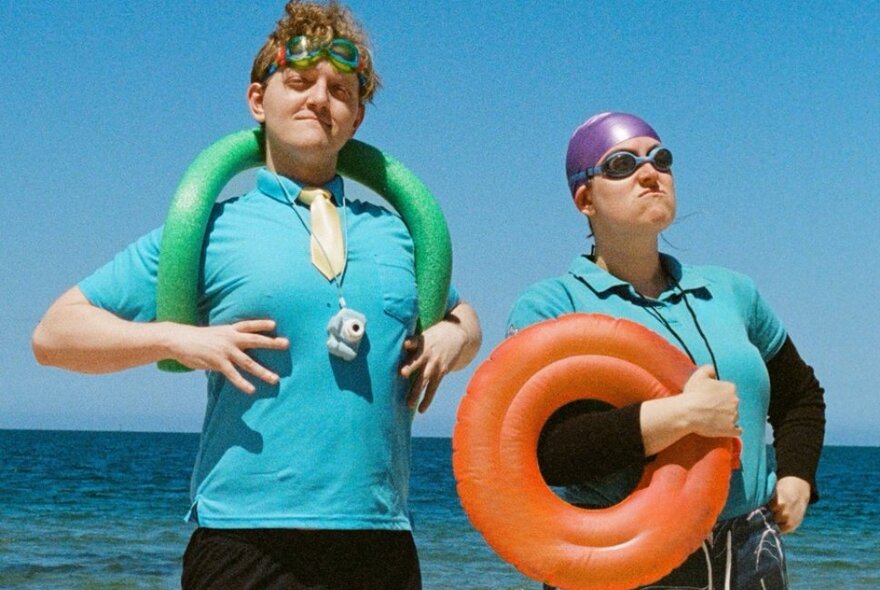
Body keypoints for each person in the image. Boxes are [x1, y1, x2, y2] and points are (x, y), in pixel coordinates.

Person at [31, 2, 481, 588]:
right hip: (242, 541)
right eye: (298, 82)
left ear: (356, 118)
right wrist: (178, 338)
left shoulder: (397, 233)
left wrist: (455, 334)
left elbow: (462, 316)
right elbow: (55, 334)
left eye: (340, 90)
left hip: (380, 538)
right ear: (256, 101)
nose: (319, 98)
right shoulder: (210, 230)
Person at [507, 112, 824, 590]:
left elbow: (800, 396)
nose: (650, 173)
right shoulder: (553, 305)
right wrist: (681, 416)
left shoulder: (731, 291)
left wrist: (797, 477)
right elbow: (550, 451)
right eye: (621, 164)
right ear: (584, 198)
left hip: (750, 552)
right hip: (621, 555)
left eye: (661, 159)